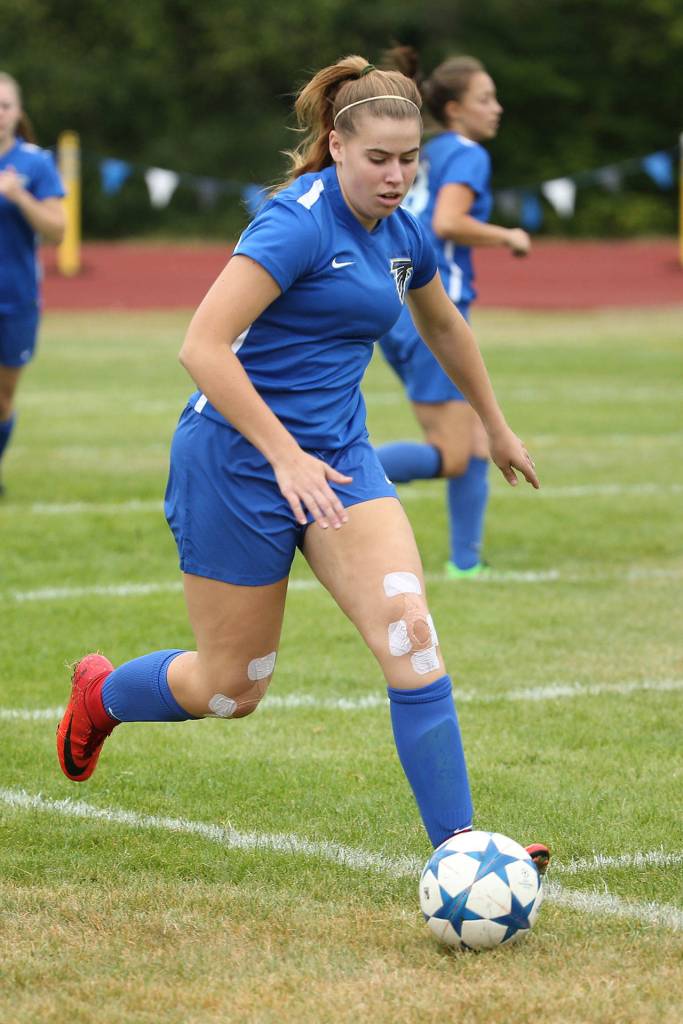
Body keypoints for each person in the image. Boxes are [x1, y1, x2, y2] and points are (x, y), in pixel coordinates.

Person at [56, 55, 548, 871]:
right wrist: (283, 457)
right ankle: (100, 696)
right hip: (235, 463)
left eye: (409, 158)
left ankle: (458, 847)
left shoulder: (401, 231)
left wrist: (493, 427)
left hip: (341, 459)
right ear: (336, 145)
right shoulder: (294, 223)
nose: (396, 177)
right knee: (230, 688)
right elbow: (202, 347)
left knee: (411, 635)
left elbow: (447, 326)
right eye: (378, 160)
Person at [376, 48, 531, 578]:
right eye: (486, 99)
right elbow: (446, 222)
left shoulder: (435, 150)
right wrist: (507, 234)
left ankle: (466, 562)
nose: (498, 108)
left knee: (472, 442)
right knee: (452, 452)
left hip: (396, 306)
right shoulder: (467, 153)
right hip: (432, 311)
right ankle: (334, 474)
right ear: (456, 109)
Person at [0, 72, 65, 495]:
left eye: (5, 106)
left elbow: (58, 230)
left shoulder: (35, 164)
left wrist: (19, 197)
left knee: (2, 398)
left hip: (15, 300)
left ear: (18, 112)